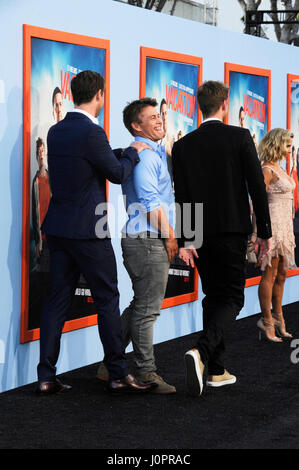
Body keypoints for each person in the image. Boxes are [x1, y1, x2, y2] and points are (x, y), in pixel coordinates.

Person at [36, 70, 154, 395]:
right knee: (108, 298)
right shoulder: (92, 132)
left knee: (56, 300)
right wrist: (132, 152)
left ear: (75, 94)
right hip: (89, 231)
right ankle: (117, 373)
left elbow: (89, 163)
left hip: (59, 229)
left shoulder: (57, 131)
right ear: (99, 94)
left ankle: (45, 377)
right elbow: (116, 174)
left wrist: (116, 153)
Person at [172, 80, 272, 397]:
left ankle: (215, 370)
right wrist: (265, 233)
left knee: (213, 297)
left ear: (200, 106)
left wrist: (186, 238)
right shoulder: (240, 137)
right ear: (225, 105)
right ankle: (202, 352)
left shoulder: (184, 145)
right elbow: (258, 188)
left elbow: (182, 197)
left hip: (199, 234)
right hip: (231, 231)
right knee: (232, 298)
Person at [97, 98, 178, 394]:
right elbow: (148, 203)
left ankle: (110, 365)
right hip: (147, 240)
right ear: (136, 125)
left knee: (140, 306)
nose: (159, 121)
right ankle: (147, 373)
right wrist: (170, 235)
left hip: (143, 240)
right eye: (152, 117)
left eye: (159, 116)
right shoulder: (144, 156)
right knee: (147, 310)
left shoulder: (152, 153)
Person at [254, 129, 295, 342]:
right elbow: (257, 202)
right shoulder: (267, 169)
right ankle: (266, 320)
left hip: (286, 226)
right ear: (277, 144)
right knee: (269, 274)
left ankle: (279, 318)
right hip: (273, 226)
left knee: (282, 273)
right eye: (287, 146)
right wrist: (258, 232)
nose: (290, 150)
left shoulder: (281, 167)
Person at [32, 137, 51, 270]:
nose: (41, 155)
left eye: (42, 151)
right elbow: (34, 214)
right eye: (39, 152)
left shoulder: (53, 179)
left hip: (54, 235)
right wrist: (37, 242)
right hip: (43, 239)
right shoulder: (35, 182)